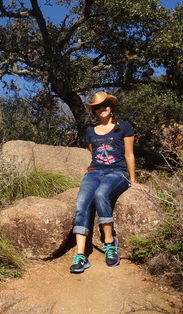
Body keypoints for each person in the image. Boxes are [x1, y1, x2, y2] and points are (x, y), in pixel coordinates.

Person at [70, 92, 149, 274]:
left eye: (105, 105)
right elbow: (94, 155)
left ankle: (109, 243)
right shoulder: (90, 131)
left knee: (101, 194)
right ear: (94, 111)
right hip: (94, 172)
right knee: (81, 204)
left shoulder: (124, 127)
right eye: (97, 107)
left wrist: (133, 180)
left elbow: (129, 154)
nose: (101, 109)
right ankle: (80, 254)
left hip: (117, 172)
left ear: (111, 107)